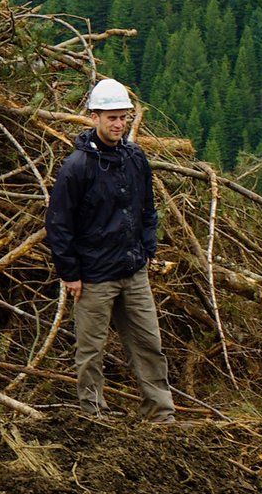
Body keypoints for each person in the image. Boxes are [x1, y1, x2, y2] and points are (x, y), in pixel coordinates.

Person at [44, 77, 177, 422]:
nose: (118, 124)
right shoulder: (77, 167)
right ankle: (93, 415)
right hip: (93, 278)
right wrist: (70, 273)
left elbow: (148, 208)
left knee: (149, 344)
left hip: (133, 271)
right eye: (111, 117)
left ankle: (160, 414)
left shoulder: (135, 158)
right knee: (90, 351)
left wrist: (148, 248)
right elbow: (59, 223)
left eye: (123, 117)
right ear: (94, 117)